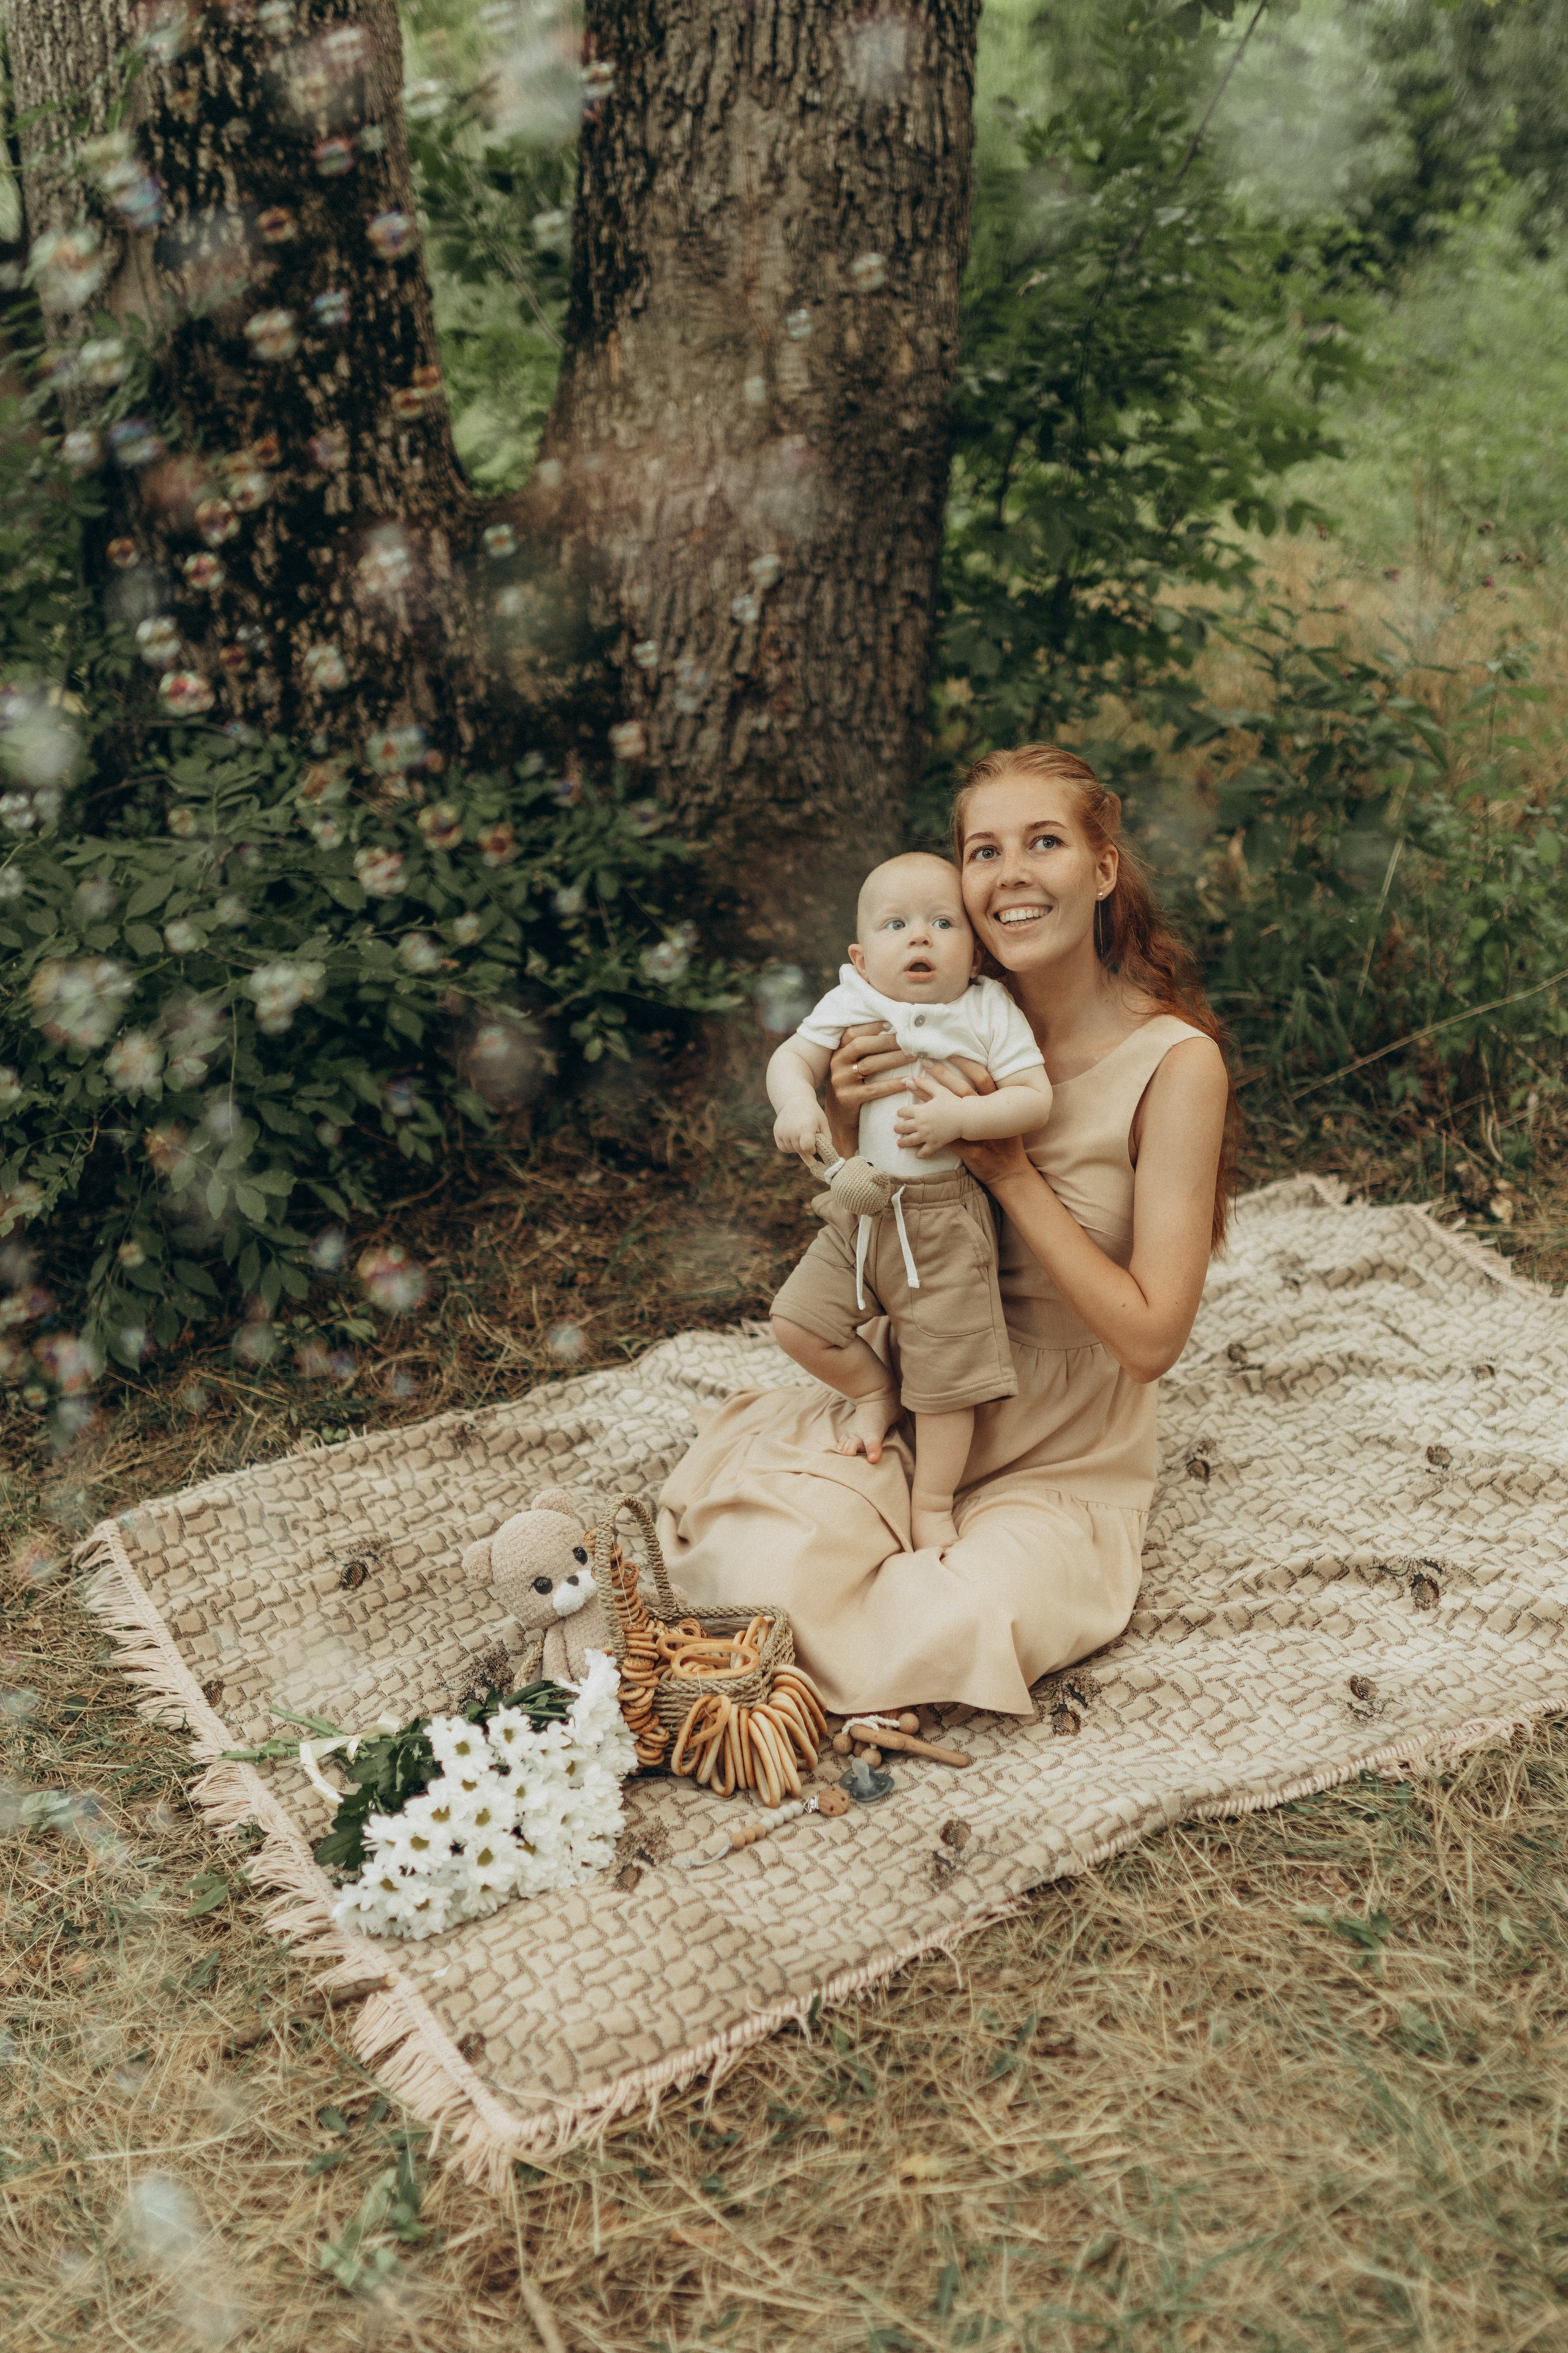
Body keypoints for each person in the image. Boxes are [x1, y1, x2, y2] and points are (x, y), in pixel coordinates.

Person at [657, 745, 1235, 1718]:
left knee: (963, 1622)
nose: (1010, 875)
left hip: (1063, 1446)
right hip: (920, 1389)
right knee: (755, 1572)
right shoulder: (924, 1009)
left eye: (1044, 843)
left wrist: (1009, 1171)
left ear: (1102, 869)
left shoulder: (1175, 1064)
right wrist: (843, 1119)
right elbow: (889, 1215)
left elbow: (1150, 1342)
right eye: (984, 851)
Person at [766, 850, 1054, 1550]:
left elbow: (1033, 1097)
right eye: (896, 924)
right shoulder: (852, 1000)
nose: (920, 935)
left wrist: (962, 1119)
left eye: (943, 923)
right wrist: (798, 1102)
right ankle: (875, 1392)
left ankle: (932, 1502)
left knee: (948, 1382)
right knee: (797, 1322)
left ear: (976, 953)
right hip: (860, 1213)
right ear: (862, 959)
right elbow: (791, 1058)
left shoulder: (987, 1008)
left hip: (945, 1222)